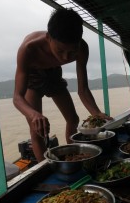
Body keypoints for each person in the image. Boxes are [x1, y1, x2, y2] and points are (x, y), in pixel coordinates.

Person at [13, 8, 112, 162]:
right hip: (33, 77)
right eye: (60, 51)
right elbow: (17, 97)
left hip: (53, 73)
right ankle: (46, 170)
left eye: (72, 52)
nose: (66, 58)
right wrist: (34, 115)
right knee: (37, 131)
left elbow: (83, 89)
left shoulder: (82, 49)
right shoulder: (28, 50)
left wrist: (96, 112)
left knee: (73, 119)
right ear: (48, 38)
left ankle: (74, 159)